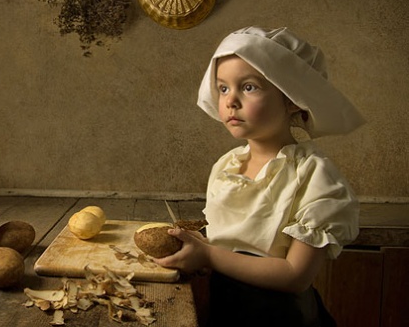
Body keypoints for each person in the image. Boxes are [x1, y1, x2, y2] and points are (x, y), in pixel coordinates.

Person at [154, 27, 365, 327]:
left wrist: (209, 256)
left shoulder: (314, 176)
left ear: (292, 99)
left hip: (284, 319)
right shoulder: (226, 167)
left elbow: (296, 276)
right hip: (227, 314)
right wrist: (194, 248)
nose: (230, 101)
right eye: (223, 88)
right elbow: (227, 244)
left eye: (249, 87)